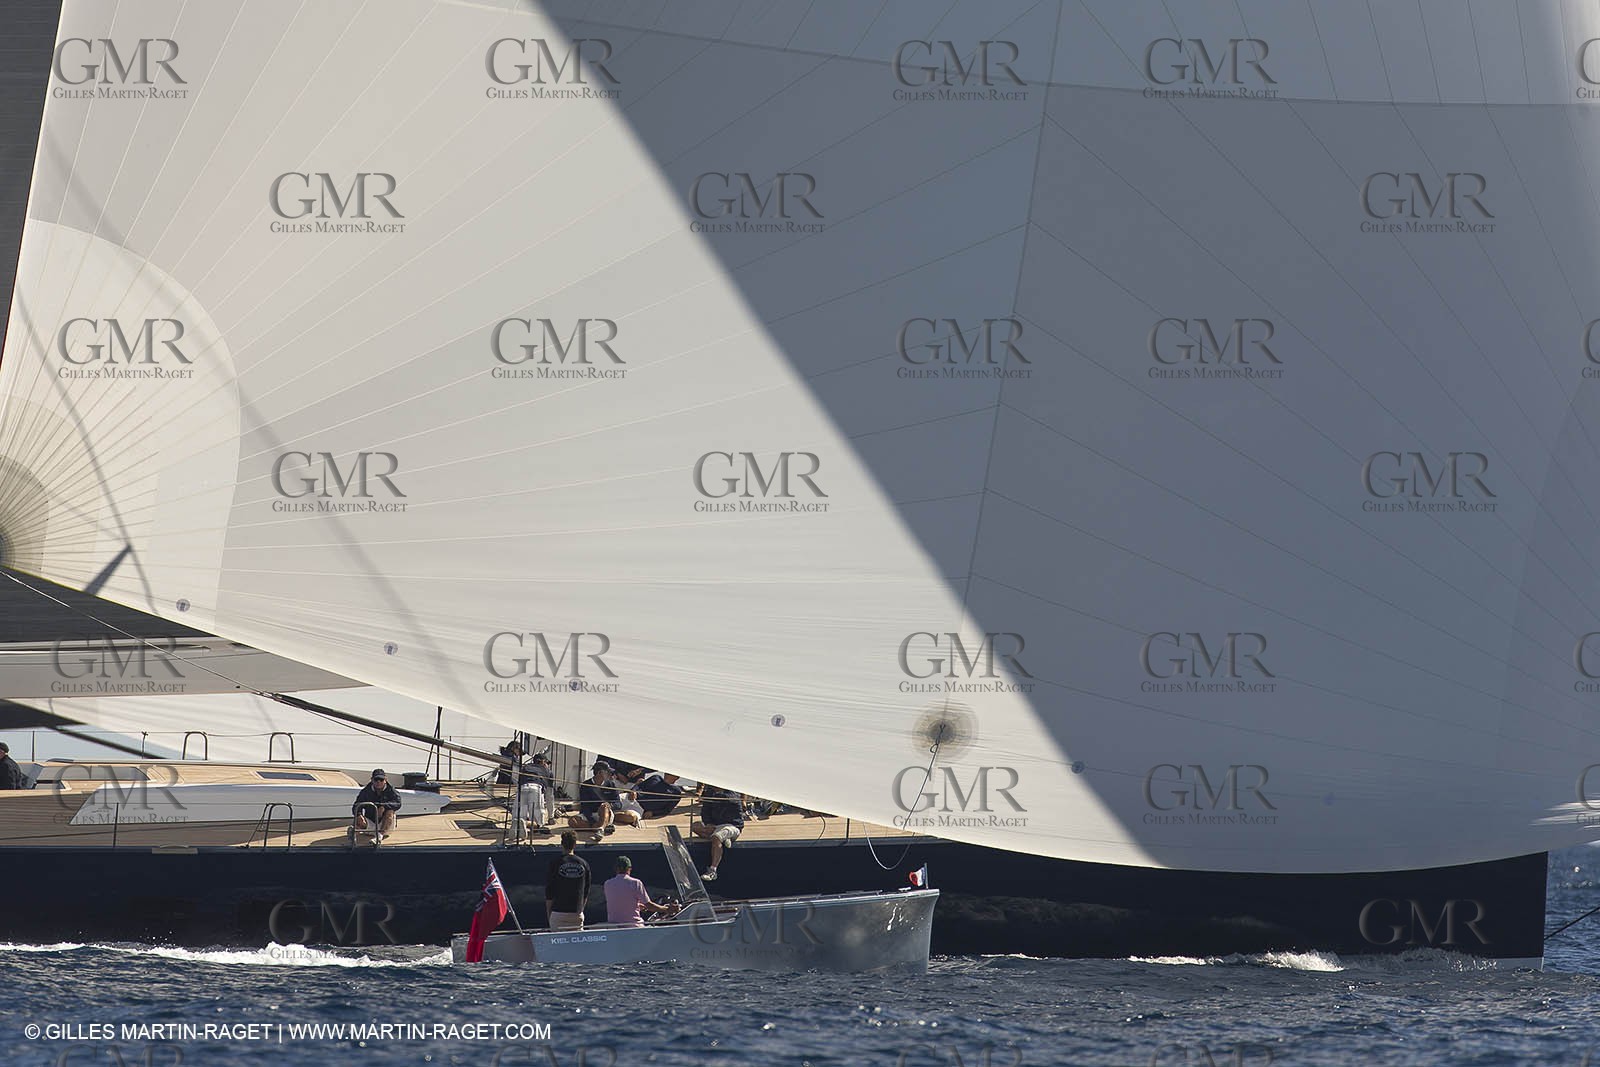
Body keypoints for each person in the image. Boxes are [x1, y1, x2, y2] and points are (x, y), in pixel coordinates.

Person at [568, 761, 640, 838]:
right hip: (590, 814)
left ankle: (600, 828)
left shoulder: (610, 785)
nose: (610, 774)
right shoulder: (585, 786)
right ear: (600, 773)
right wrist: (592, 821)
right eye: (608, 772)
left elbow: (618, 803)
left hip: (606, 813)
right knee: (572, 821)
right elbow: (585, 807)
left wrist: (610, 805)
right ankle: (599, 827)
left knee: (604, 807)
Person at [691, 784, 745, 881]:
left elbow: (730, 800)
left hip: (731, 825)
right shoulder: (710, 792)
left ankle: (713, 870)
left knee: (717, 837)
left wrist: (715, 795)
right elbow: (705, 811)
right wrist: (708, 823)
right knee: (695, 826)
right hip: (715, 825)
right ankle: (724, 839)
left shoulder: (732, 794)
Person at [603, 856, 675, 927]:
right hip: (634, 927)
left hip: (613, 927)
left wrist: (638, 906)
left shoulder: (607, 884)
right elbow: (649, 905)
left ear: (616, 869)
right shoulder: (636, 883)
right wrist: (666, 909)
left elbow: (619, 902)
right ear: (629, 868)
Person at [546, 830, 591, 931]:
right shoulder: (584, 864)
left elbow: (549, 891)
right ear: (575, 844)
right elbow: (586, 892)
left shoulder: (555, 863)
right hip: (576, 913)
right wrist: (580, 910)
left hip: (558, 912)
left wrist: (549, 913)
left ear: (562, 844)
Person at [351, 768, 402, 833]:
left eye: (381, 779)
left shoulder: (391, 791)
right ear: (372, 780)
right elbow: (356, 805)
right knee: (357, 820)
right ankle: (353, 834)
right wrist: (359, 815)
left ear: (385, 780)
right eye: (376, 779)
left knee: (390, 812)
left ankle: (380, 836)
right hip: (370, 824)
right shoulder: (365, 791)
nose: (378, 782)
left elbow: (398, 803)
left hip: (386, 825)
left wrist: (383, 807)